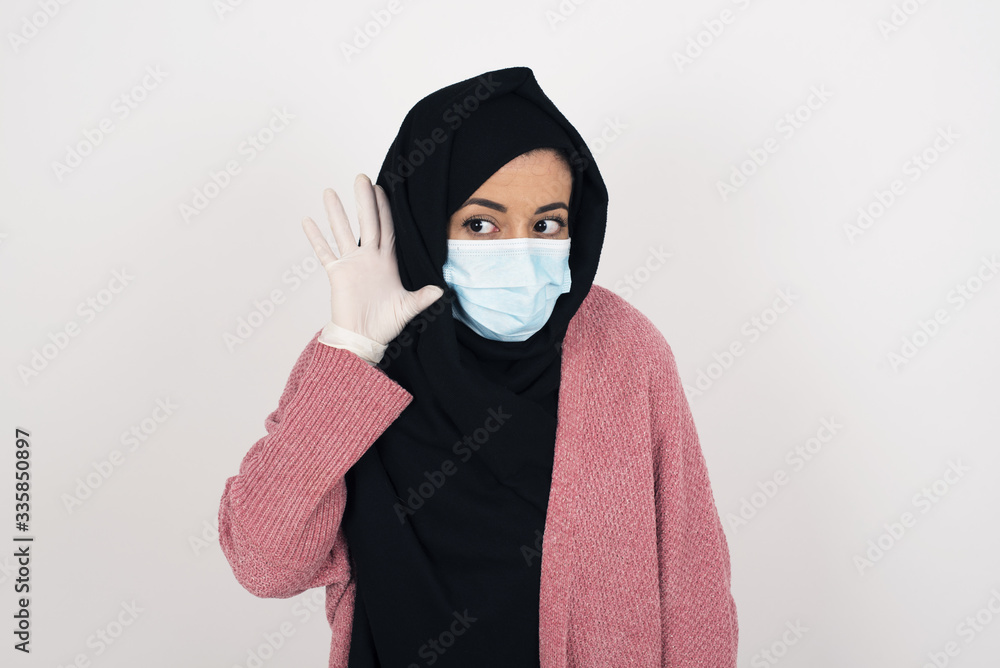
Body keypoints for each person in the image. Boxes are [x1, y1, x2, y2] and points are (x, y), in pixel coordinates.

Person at [218, 66, 738, 668]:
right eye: (480, 224)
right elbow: (264, 564)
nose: (520, 250)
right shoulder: (359, 365)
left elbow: (693, 586)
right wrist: (350, 347)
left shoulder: (625, 350)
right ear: (424, 219)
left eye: (546, 224)